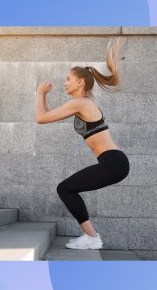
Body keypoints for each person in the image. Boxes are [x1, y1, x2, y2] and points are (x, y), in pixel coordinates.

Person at [35, 37, 129, 250]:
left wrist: (39, 93)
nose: (65, 82)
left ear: (80, 82)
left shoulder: (79, 102)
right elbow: (47, 115)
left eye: (68, 79)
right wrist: (44, 97)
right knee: (68, 188)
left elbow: (40, 118)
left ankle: (92, 237)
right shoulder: (83, 103)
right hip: (113, 162)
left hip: (113, 163)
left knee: (65, 188)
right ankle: (90, 236)